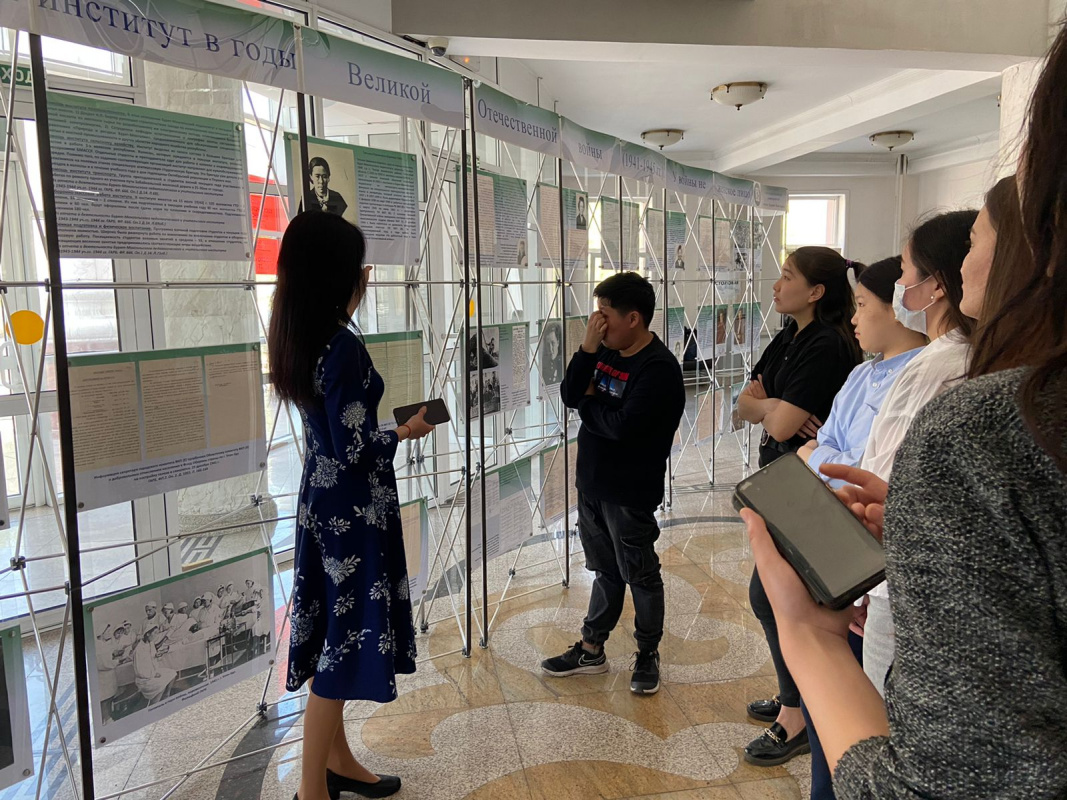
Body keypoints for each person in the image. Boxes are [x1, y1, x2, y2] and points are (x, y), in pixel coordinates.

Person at [742, 104, 1065, 796]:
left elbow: (933, 778)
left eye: (976, 240)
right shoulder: (943, 384)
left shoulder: (981, 412)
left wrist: (809, 636)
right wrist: (924, 523)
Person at [269, 211, 435, 800]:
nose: (365, 275)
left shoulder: (300, 334)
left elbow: (336, 437)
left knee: (331, 633)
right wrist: (406, 430)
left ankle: (337, 763)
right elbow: (356, 449)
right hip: (351, 511)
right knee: (340, 647)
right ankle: (310, 790)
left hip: (322, 500)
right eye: (358, 266)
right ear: (334, 274)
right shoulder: (339, 346)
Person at [792, 256, 926, 799]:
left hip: (863, 539)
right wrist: (821, 454)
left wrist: (818, 456)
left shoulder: (921, 376)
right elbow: (824, 443)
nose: (853, 318)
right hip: (832, 524)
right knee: (828, 699)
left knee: (858, 703)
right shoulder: (862, 372)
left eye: (864, 305)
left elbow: (862, 470)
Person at [735, 247, 863, 766]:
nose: (776, 284)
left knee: (774, 596)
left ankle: (798, 714)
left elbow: (784, 425)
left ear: (816, 292)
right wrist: (770, 406)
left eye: (787, 276)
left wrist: (770, 408)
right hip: (783, 476)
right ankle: (796, 695)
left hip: (809, 485)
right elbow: (744, 404)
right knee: (772, 596)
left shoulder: (827, 344)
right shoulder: (790, 335)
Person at [541, 271, 685, 694]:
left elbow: (622, 427)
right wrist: (587, 350)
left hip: (629, 491)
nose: (597, 324)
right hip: (592, 482)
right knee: (604, 571)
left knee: (640, 574)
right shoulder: (603, 349)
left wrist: (589, 399)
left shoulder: (658, 369)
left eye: (604, 315)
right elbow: (570, 394)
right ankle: (591, 649)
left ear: (633, 318)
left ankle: (647, 652)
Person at [856, 209, 977, 695]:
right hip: (915, 571)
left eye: (905, 271)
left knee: (879, 707)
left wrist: (861, 582)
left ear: (937, 285)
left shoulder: (939, 365)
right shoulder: (959, 354)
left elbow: (885, 480)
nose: (899, 285)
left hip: (898, 577)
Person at [133, 627, 177, 706]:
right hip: (144, 679)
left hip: (153, 672)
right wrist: (153, 675)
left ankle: (166, 696)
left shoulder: (151, 644)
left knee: (172, 673)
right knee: (161, 684)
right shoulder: (139, 650)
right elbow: (139, 671)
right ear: (148, 634)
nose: (157, 635)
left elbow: (153, 658)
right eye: (155, 633)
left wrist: (157, 656)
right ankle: (154, 705)